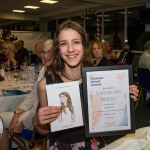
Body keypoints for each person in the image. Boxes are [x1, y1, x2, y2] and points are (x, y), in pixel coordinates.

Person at [32, 21, 139, 149]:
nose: (70, 49)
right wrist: (37, 120)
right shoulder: (45, 85)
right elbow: (44, 131)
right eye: (63, 43)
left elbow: (111, 115)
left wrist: (125, 96)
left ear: (84, 45)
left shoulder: (100, 79)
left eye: (76, 42)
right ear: (57, 49)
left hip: (95, 144)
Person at [0, 39, 53, 150]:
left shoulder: (53, 73)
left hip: (37, 121)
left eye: (50, 52)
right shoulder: (44, 68)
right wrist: (17, 113)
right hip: (32, 115)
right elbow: (32, 95)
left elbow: (38, 107)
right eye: (43, 52)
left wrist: (22, 123)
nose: (46, 55)